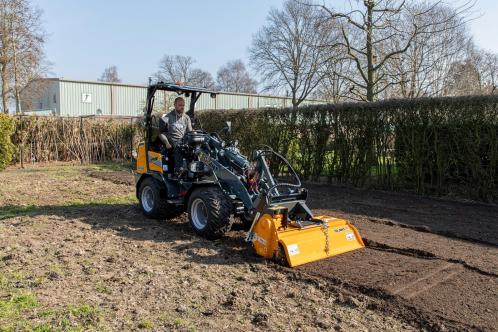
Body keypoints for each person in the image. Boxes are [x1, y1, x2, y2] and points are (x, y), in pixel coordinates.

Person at [158, 97, 192, 175]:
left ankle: (193, 169)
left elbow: (190, 131)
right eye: (180, 105)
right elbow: (161, 133)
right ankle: (178, 171)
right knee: (179, 147)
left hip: (183, 141)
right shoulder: (167, 117)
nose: (182, 107)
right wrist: (166, 142)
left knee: (194, 149)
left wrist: (194, 135)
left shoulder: (186, 118)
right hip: (172, 141)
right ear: (175, 105)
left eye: (183, 105)